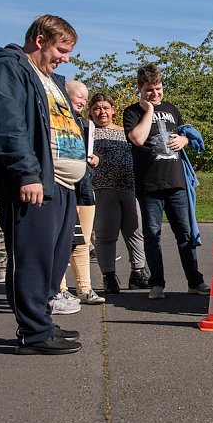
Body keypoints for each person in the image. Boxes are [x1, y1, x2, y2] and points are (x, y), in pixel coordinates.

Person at [0, 14, 84, 355]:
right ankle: (34, 333)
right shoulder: (9, 69)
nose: (66, 58)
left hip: (64, 184)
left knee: (53, 261)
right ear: (39, 40)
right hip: (36, 182)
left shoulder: (48, 78)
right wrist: (27, 174)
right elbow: (8, 126)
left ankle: (44, 320)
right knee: (32, 259)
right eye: (62, 49)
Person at [123, 63, 208, 300]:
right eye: (150, 90)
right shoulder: (131, 112)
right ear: (140, 88)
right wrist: (148, 111)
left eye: (158, 89)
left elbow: (185, 135)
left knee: (186, 234)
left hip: (176, 181)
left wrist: (184, 141)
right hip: (149, 184)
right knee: (152, 234)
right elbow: (138, 140)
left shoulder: (172, 108)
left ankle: (195, 281)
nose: (156, 94)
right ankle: (157, 283)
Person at [89, 92, 149, 293]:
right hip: (103, 189)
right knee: (106, 235)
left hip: (130, 189)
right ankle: (109, 276)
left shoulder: (126, 132)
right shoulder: (89, 134)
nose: (101, 112)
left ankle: (138, 273)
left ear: (113, 111)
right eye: (96, 108)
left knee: (135, 231)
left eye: (106, 108)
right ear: (90, 112)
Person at [51, 79, 104, 308]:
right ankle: (60, 289)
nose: (83, 101)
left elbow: (88, 152)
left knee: (83, 242)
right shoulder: (55, 118)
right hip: (61, 186)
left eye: (85, 97)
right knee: (62, 241)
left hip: (85, 187)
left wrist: (94, 159)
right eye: (79, 96)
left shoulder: (85, 124)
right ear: (65, 95)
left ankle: (84, 288)